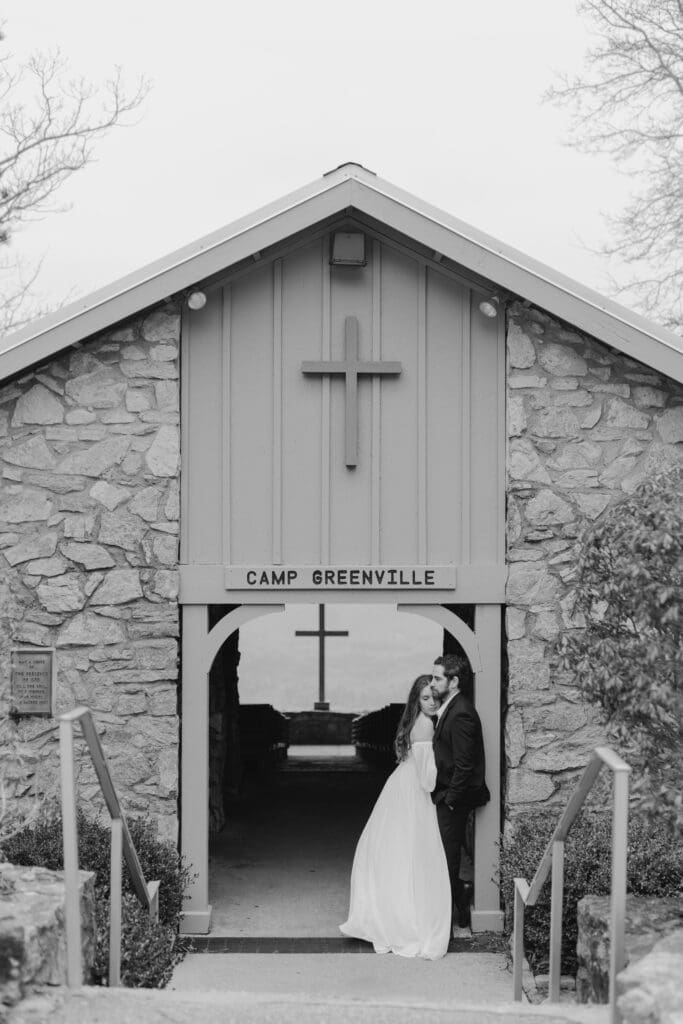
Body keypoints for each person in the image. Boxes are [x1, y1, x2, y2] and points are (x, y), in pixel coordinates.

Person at [339, 675, 451, 959]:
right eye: (425, 698)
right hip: (414, 791)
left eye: (435, 697)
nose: (431, 702)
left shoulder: (414, 722)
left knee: (396, 852)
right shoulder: (427, 725)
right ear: (416, 700)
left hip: (400, 785)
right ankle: (408, 921)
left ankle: (390, 914)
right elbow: (427, 779)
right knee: (413, 854)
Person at [431, 653, 490, 931]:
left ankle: (451, 908)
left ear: (453, 682)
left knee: (447, 856)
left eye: (437, 678)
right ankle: (459, 892)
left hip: (453, 799)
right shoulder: (451, 708)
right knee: (443, 854)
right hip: (444, 794)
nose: (432, 683)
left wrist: (451, 801)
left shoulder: (461, 712)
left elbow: (464, 764)